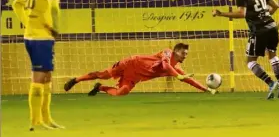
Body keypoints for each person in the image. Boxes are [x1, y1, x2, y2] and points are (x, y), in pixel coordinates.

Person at [212, 0, 279, 99]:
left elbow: (241, 13)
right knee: (273, 56)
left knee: (250, 61)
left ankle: (271, 83)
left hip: (258, 30)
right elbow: (275, 6)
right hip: (272, 26)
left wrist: (221, 13)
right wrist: (265, 18)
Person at [12, 0, 63, 130]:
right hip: (41, 38)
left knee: (47, 76)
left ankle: (46, 118)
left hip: (33, 35)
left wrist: (27, 21)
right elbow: (54, 7)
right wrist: (55, 27)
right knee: (38, 77)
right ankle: (35, 122)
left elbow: (16, 3)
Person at [64, 43, 218, 96]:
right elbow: (165, 65)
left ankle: (101, 88)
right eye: (183, 53)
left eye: (186, 54)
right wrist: (178, 77)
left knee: (121, 92)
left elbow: (189, 80)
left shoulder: (177, 68)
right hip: (131, 63)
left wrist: (206, 89)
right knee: (104, 74)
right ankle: (76, 80)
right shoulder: (167, 53)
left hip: (135, 77)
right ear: (176, 51)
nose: (185, 56)